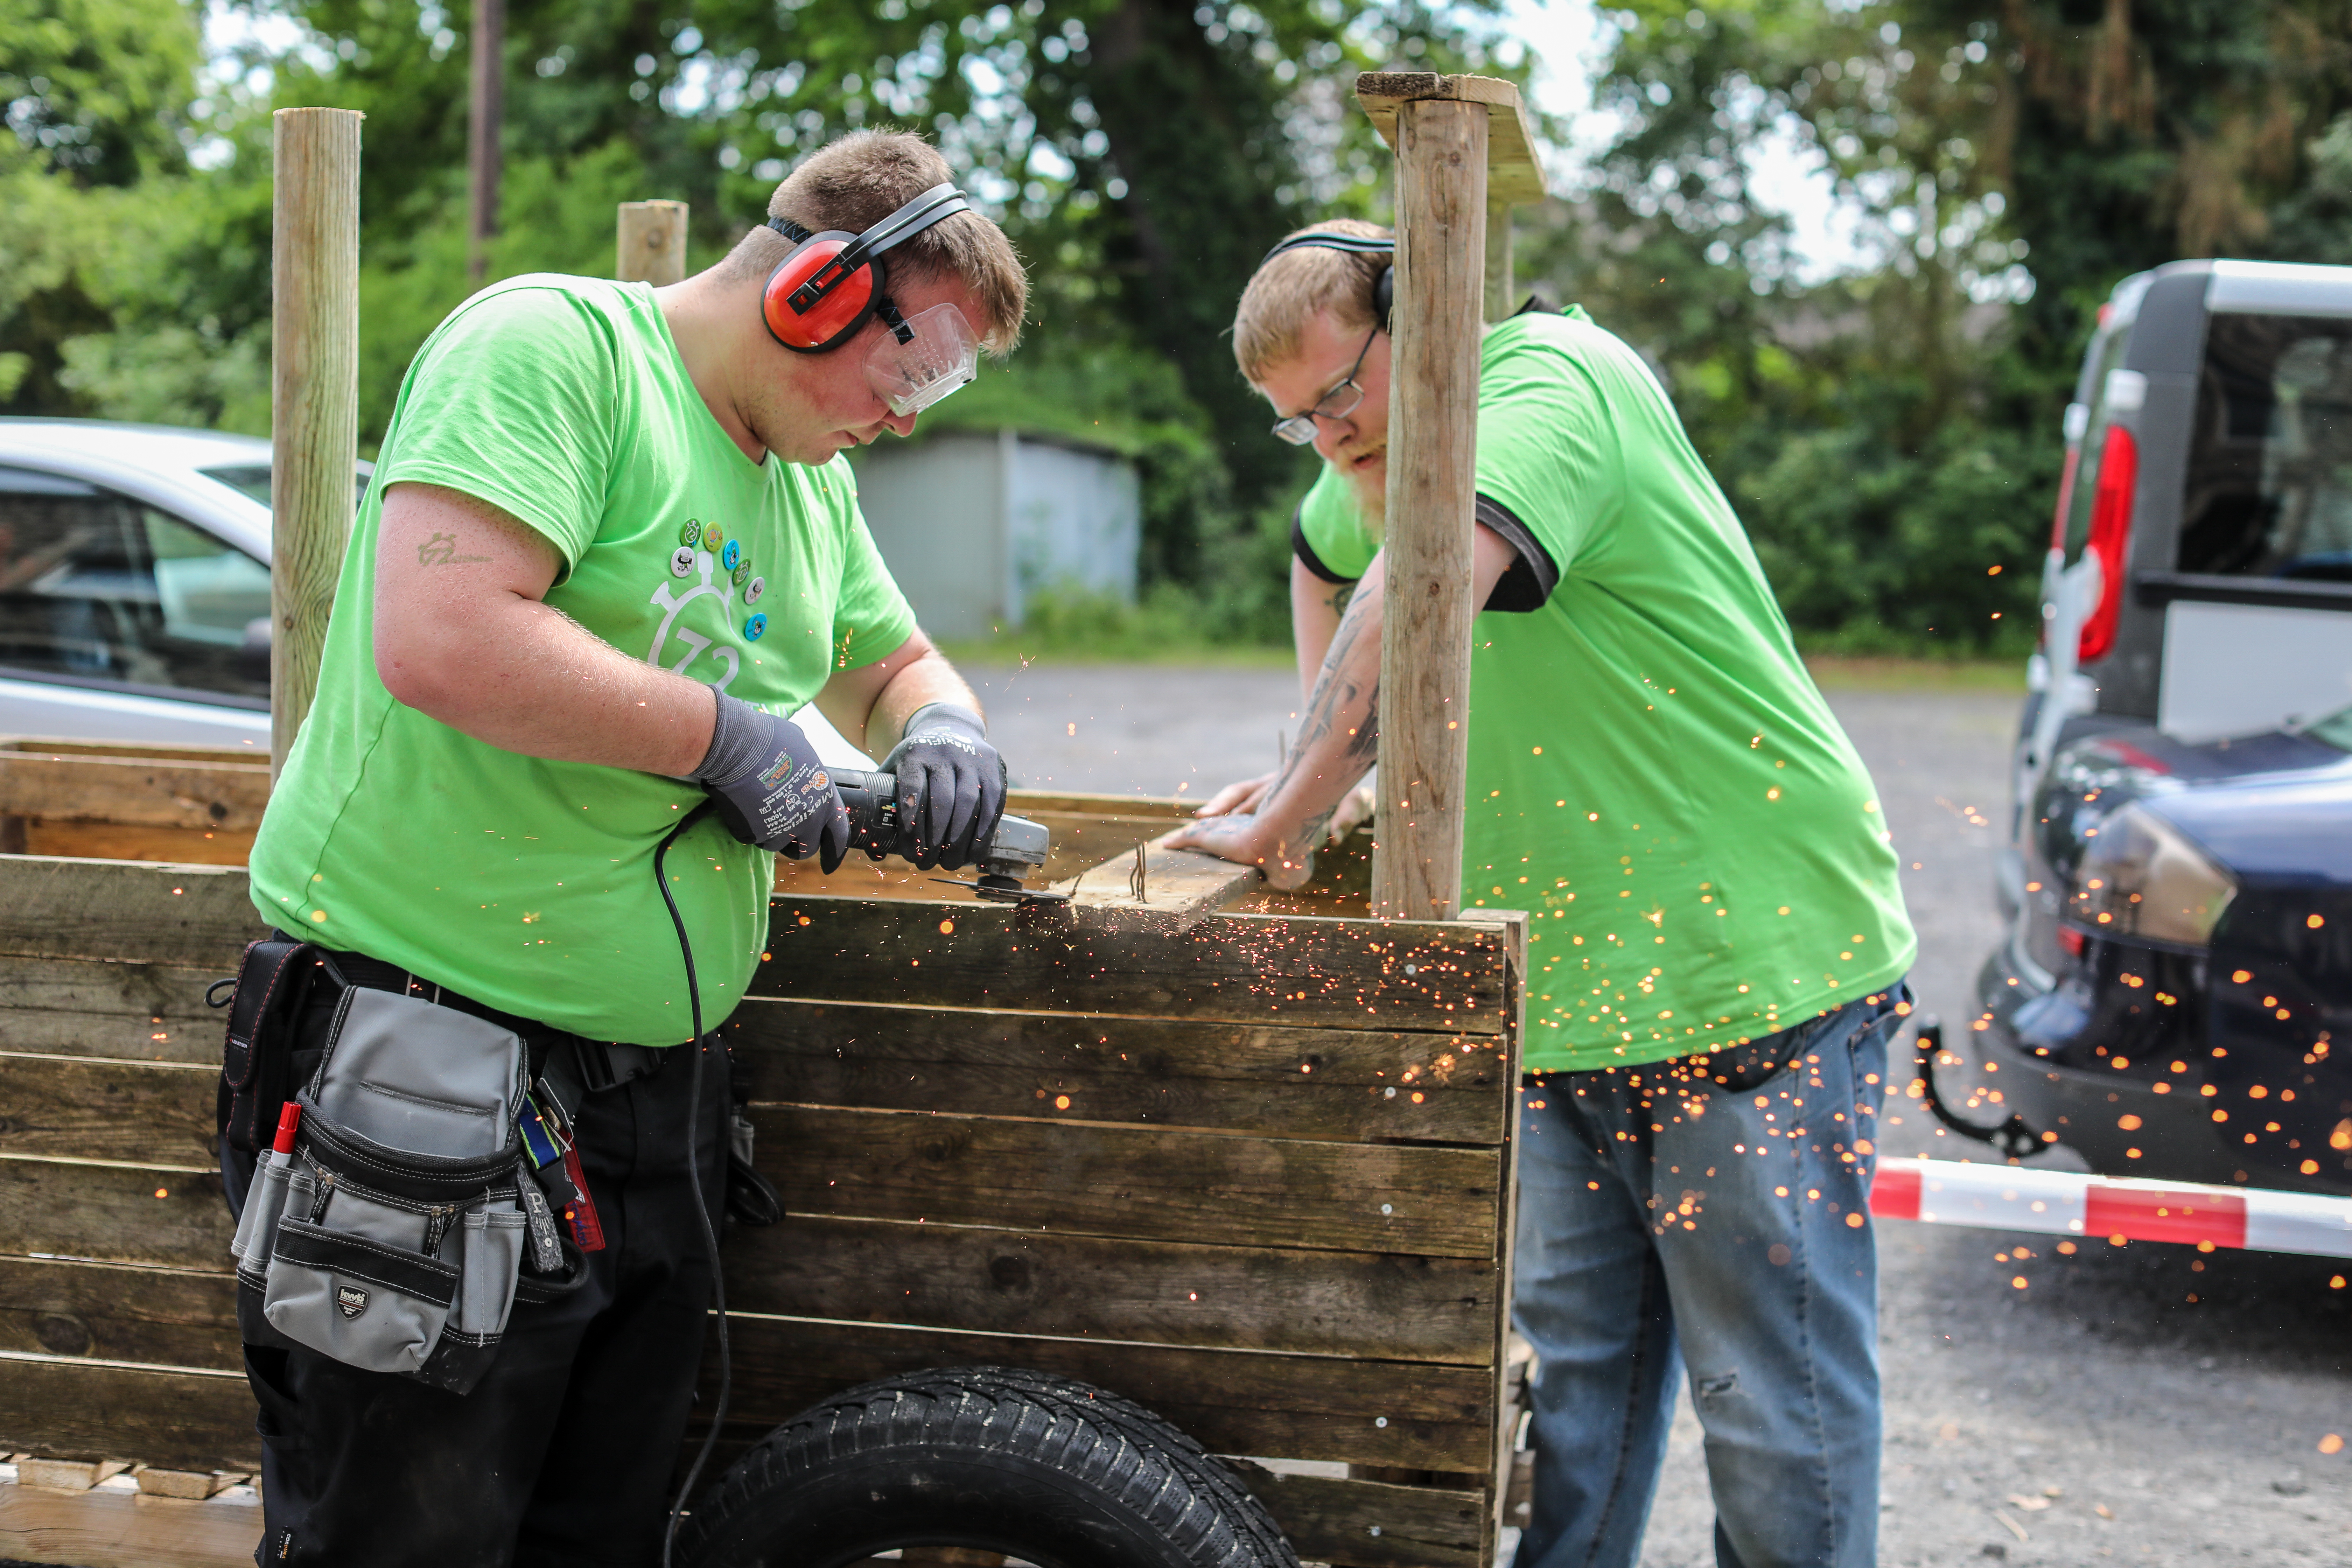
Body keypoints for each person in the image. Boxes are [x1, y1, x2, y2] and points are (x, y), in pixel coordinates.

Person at [230, 130, 1027, 1566]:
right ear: (816, 295)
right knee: (403, 1542)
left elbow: (893, 657)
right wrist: (724, 738)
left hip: (644, 1111)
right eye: (908, 372)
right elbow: (445, 633)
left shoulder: (805, 481)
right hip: (427, 1071)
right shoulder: (553, 353)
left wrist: (942, 730)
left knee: (594, 1535)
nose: (906, 418)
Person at [1167, 220, 1917, 1568]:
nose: (1331, 436)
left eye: (1342, 391)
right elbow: (1326, 557)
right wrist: (1325, 786)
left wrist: (1286, 816)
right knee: (1576, 1397)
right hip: (1565, 998)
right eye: (1296, 420)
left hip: (1753, 973)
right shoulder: (1365, 468)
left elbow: (1426, 579)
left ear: (1430, 312)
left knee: (1772, 1413)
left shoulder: (1552, 381)